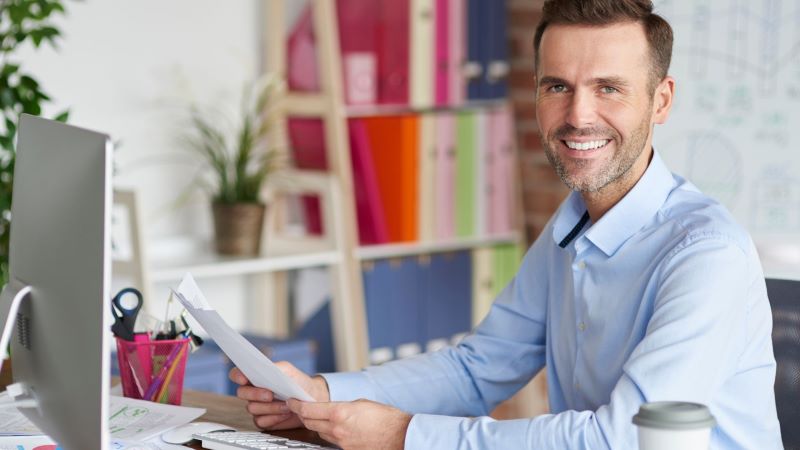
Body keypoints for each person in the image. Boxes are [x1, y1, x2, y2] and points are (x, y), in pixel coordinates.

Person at [230, 0, 784, 448]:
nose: (578, 115)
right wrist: (323, 393)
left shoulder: (706, 256)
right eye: (557, 86)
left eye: (608, 88)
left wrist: (405, 434)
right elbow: (477, 369)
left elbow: (624, 440)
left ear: (661, 100)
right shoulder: (571, 226)